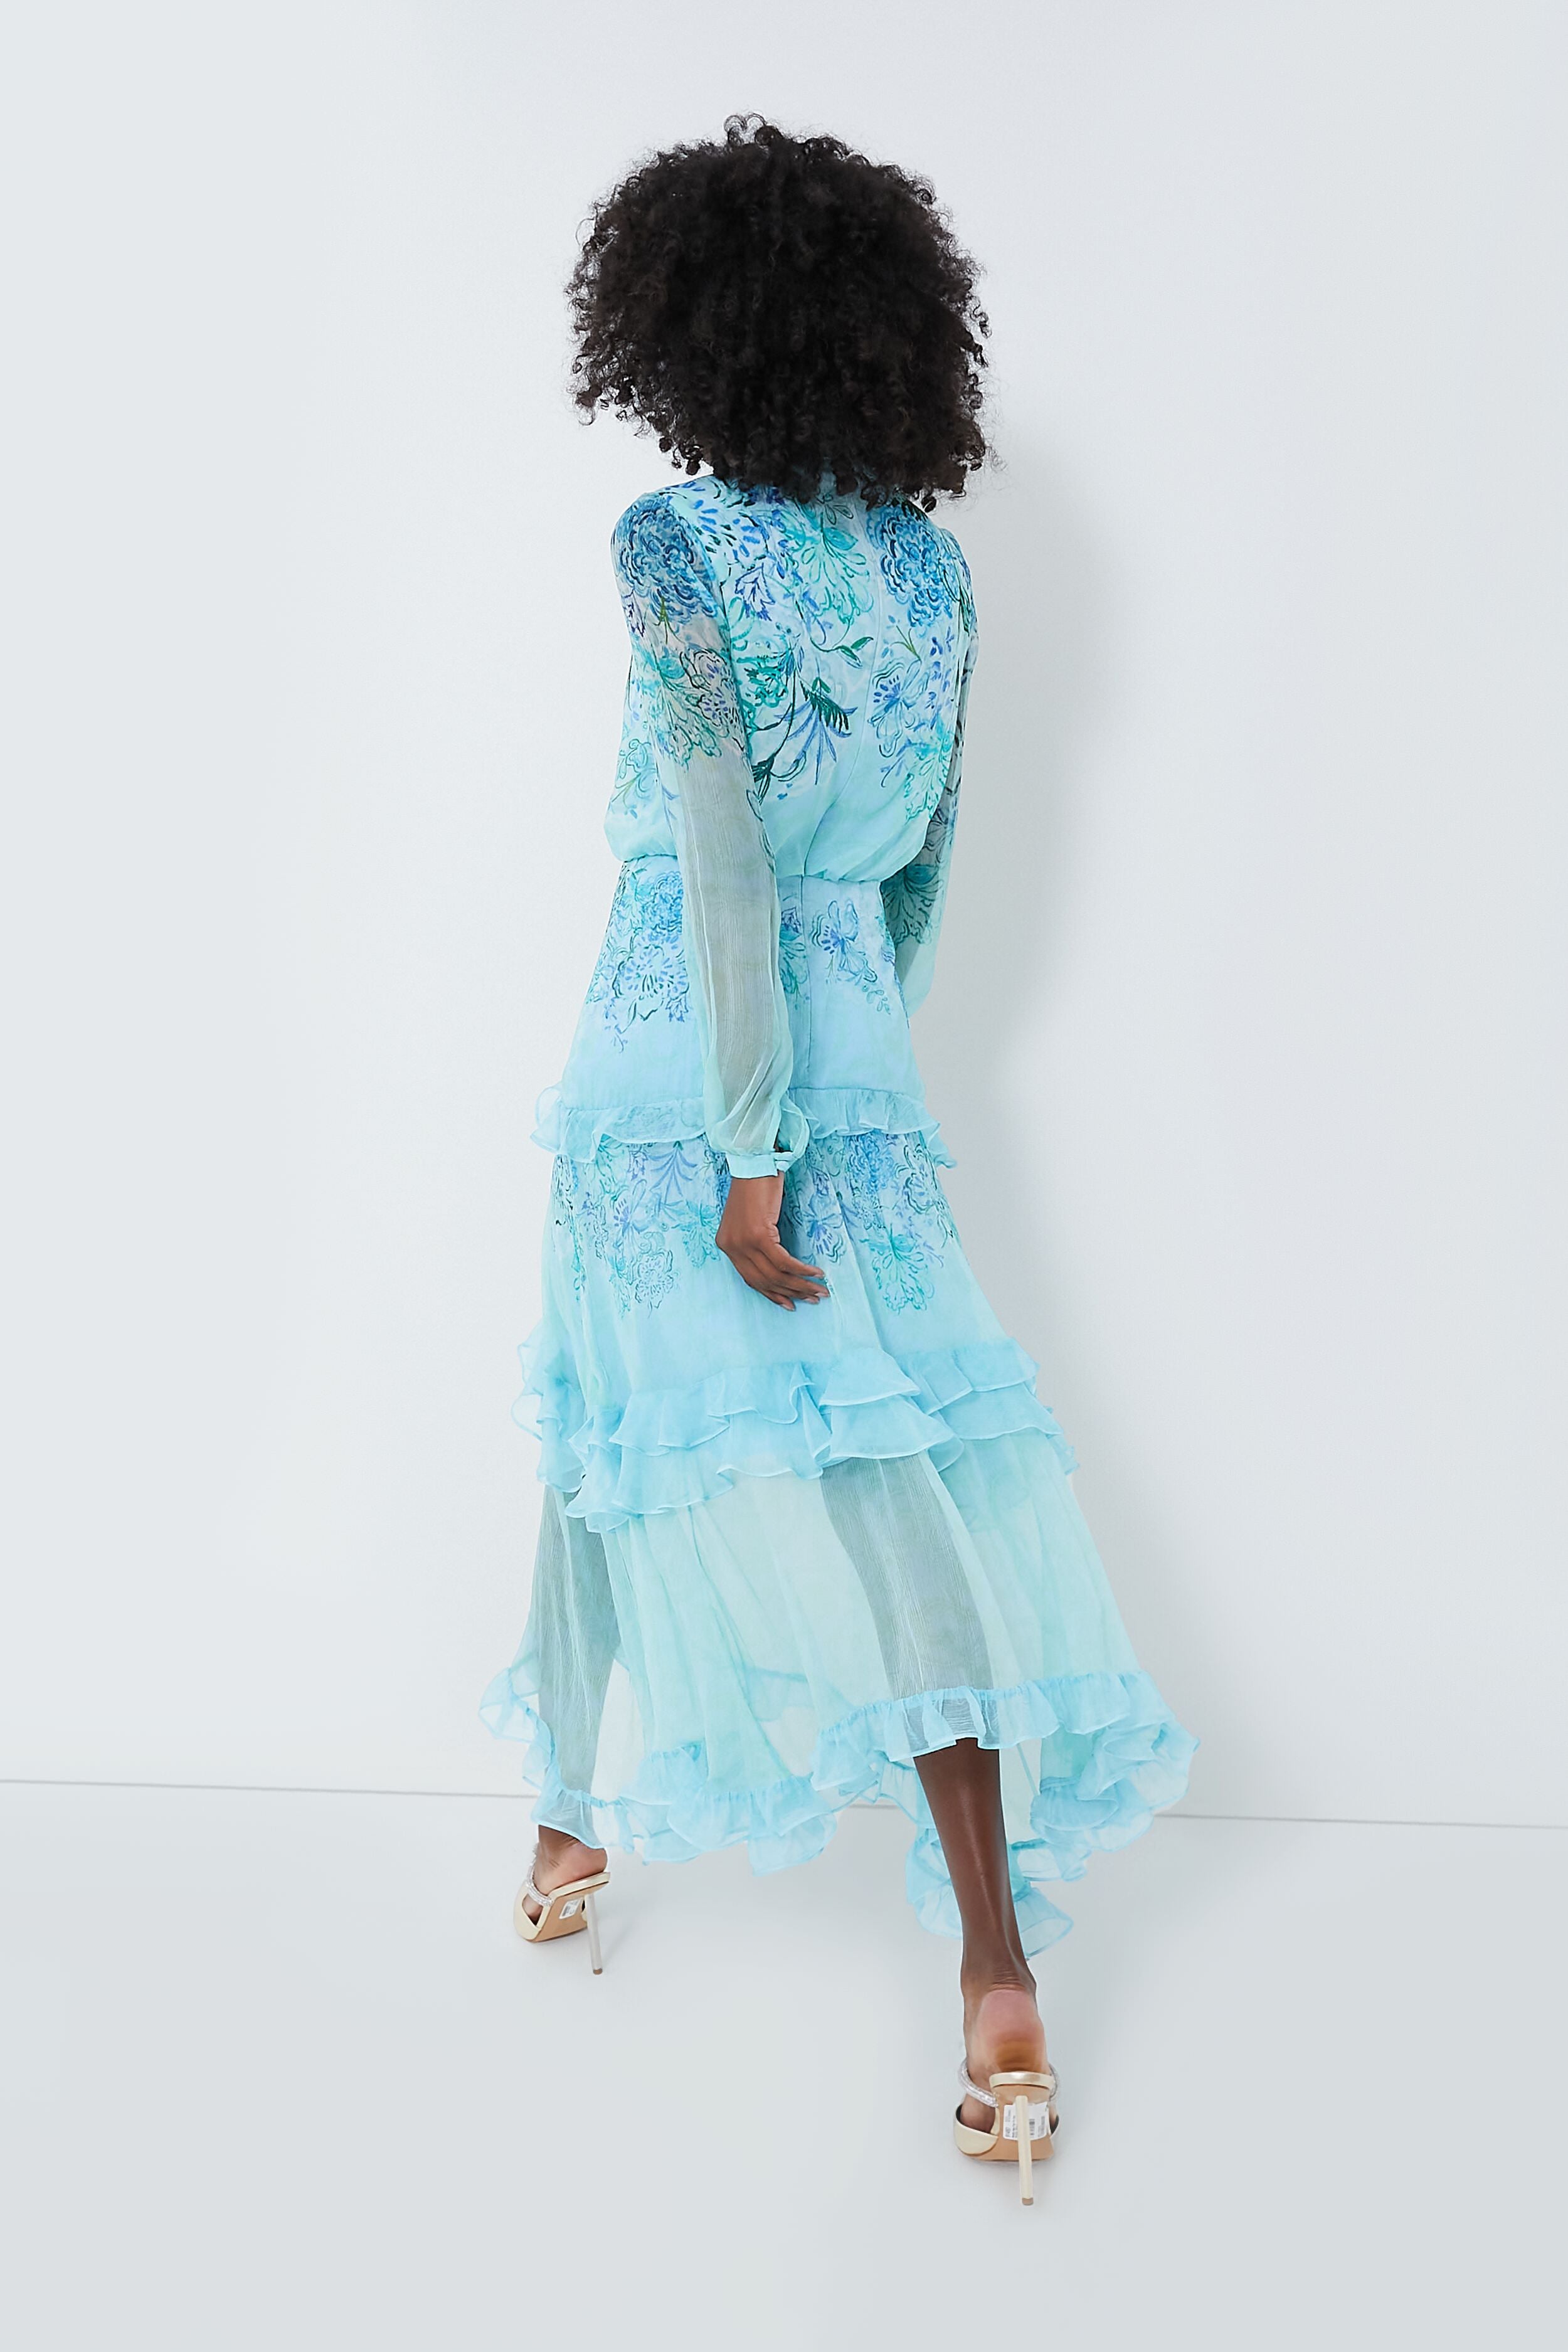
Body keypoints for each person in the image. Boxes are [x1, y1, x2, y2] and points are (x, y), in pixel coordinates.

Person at [481, 114, 1194, 2198]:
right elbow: (919, 870)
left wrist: (748, 1140)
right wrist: (847, 1065)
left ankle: (571, 1833)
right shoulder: (929, 567)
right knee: (888, 1469)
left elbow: (717, 857)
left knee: (615, 1425)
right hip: (852, 1053)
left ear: (676, 332)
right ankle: (991, 1971)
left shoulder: (674, 546)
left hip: (675, 1068)